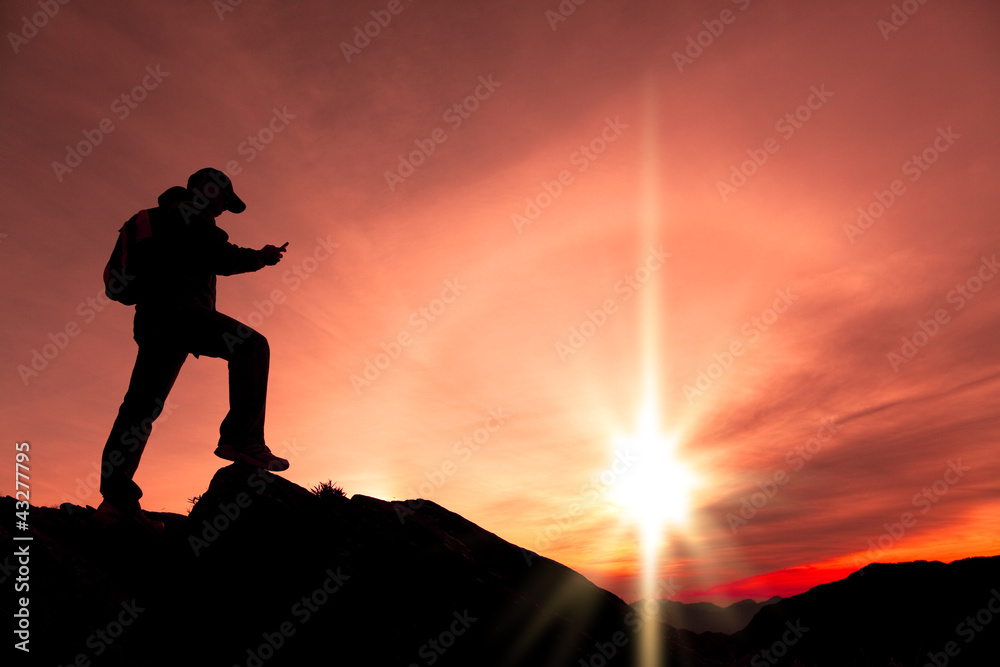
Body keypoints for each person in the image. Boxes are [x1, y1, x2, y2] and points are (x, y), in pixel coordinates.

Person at [95, 168, 289, 528]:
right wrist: (261, 257)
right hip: (180, 313)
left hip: (153, 321)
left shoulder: (157, 218)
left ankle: (115, 503)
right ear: (207, 189)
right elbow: (222, 257)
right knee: (251, 346)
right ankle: (242, 439)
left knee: (140, 408)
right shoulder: (190, 213)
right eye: (223, 200)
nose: (222, 209)